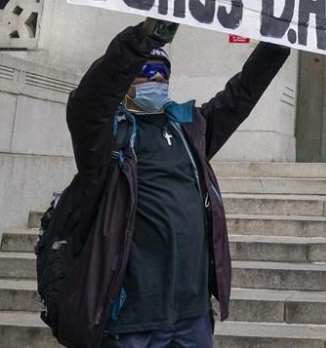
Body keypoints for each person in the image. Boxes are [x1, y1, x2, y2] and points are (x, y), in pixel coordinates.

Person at [61, 17, 289, 346]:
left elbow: (241, 95)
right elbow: (89, 101)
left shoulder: (190, 129)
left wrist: (278, 45)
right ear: (127, 81)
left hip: (191, 314)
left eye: (162, 73)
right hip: (132, 318)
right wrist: (138, 41)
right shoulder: (108, 138)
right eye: (145, 71)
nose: (155, 79)